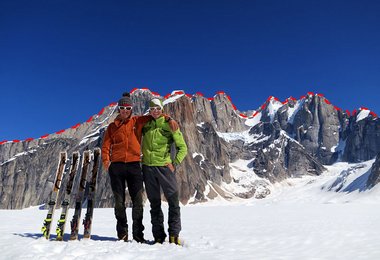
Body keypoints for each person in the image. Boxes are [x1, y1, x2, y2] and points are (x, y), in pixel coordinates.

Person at [101, 93, 178, 242]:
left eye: (128, 108)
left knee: (137, 202)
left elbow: (155, 115)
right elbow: (106, 145)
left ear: (131, 109)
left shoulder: (138, 121)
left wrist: (169, 118)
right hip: (116, 167)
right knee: (119, 202)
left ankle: (138, 235)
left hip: (134, 165)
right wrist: (106, 162)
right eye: (122, 108)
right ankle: (122, 233)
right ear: (118, 109)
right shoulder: (112, 127)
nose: (125, 110)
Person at [141, 98, 188, 245]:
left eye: (158, 108)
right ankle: (158, 237)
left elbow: (183, 148)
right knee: (154, 205)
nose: (155, 111)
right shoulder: (146, 124)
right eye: (152, 109)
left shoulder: (169, 124)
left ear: (162, 109)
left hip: (164, 168)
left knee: (173, 202)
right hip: (148, 168)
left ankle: (174, 235)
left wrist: (174, 163)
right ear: (149, 110)